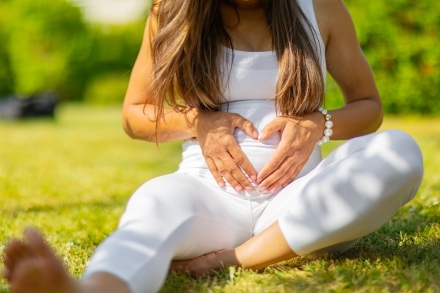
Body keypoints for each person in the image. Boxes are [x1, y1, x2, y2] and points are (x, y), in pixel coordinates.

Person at [2, 0, 424, 292]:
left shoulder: (320, 7)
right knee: (152, 203)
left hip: (299, 203)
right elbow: (134, 114)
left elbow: (369, 106)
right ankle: (94, 289)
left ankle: (239, 257)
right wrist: (197, 122)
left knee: (400, 151)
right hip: (210, 197)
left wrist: (319, 124)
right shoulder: (172, 10)